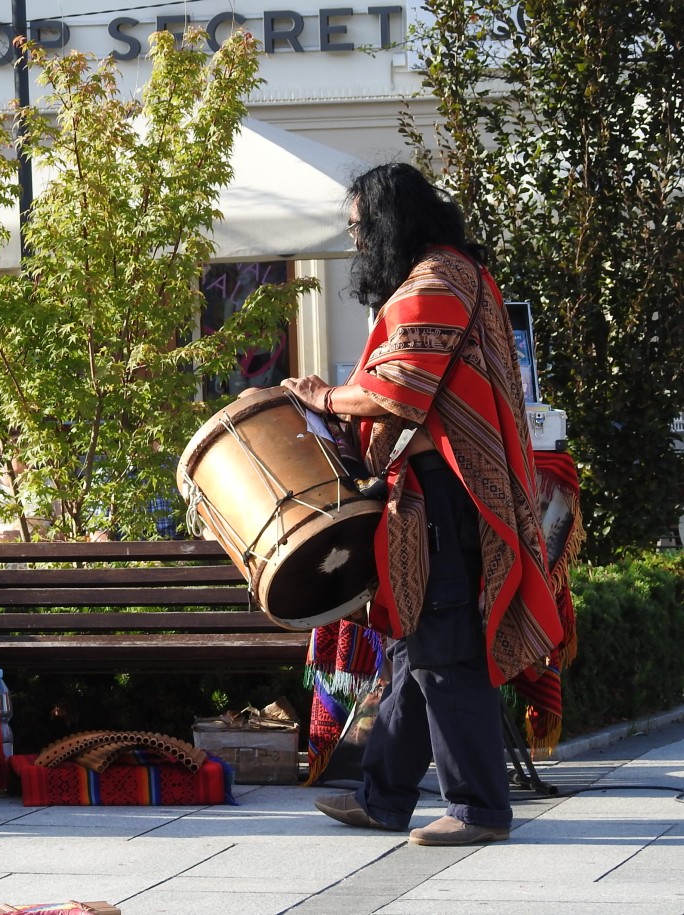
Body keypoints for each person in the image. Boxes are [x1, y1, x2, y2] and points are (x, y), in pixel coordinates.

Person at [279, 163, 562, 846]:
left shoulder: (434, 281)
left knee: (442, 647)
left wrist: (323, 399)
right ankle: (383, 795)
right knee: (415, 644)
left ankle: (478, 806)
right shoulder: (450, 272)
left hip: (448, 494)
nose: (357, 246)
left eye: (358, 230)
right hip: (444, 489)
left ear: (386, 222)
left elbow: (398, 393)